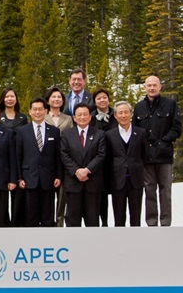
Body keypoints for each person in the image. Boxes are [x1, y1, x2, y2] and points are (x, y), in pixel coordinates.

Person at [132, 75, 182, 227]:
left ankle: (166, 222)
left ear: (160, 87)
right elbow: (136, 131)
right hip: (147, 157)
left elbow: (177, 128)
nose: (152, 88)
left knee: (165, 190)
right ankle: (151, 223)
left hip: (164, 155)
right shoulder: (139, 107)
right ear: (145, 88)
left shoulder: (170, 104)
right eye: (149, 85)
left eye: (155, 85)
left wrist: (163, 142)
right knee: (149, 190)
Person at [16, 97, 62, 227]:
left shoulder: (54, 131)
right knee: (31, 215)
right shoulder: (22, 131)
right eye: (34, 109)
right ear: (30, 111)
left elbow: (58, 156)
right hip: (29, 179)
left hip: (49, 178)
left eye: (40, 109)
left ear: (46, 111)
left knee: (48, 215)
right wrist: (19, 178)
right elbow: (18, 156)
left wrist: (58, 175)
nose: (37, 112)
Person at [60, 103, 106, 227]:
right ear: (74, 118)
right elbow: (64, 154)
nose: (82, 117)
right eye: (79, 115)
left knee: (92, 220)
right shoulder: (66, 134)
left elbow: (101, 155)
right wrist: (77, 171)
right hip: (73, 183)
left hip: (93, 183)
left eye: (85, 114)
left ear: (90, 117)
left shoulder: (99, 134)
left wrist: (87, 170)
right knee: (73, 221)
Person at [106, 101, 148, 226]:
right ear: (115, 116)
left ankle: (135, 242)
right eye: (120, 113)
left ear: (131, 114)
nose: (123, 115)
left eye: (126, 112)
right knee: (119, 216)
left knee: (136, 216)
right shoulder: (109, 135)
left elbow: (145, 155)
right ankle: (120, 242)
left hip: (136, 180)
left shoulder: (141, 133)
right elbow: (107, 159)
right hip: (117, 180)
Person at [0, 87, 27, 225]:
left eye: (12, 96)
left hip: (19, 158)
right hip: (2, 159)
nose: (10, 99)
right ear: (3, 99)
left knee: (18, 197)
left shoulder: (23, 117)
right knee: (2, 198)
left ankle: (17, 225)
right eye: (7, 96)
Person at [44, 86, 72, 227]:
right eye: (53, 97)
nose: (56, 99)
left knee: (62, 197)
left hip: (64, 161)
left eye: (59, 97)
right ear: (48, 100)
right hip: (47, 162)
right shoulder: (42, 117)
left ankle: (60, 224)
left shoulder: (68, 119)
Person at [90, 87, 117, 226]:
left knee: (117, 195)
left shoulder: (117, 115)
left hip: (115, 161)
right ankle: (103, 223)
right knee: (101, 196)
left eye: (104, 97)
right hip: (98, 162)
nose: (102, 100)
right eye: (99, 98)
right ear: (94, 101)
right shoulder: (90, 117)